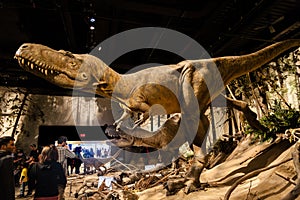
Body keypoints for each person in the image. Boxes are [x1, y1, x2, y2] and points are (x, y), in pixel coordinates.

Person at [0, 136, 16, 200]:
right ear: (3, 146)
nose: (14, 147)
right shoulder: (7, 159)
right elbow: (8, 183)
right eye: (11, 145)